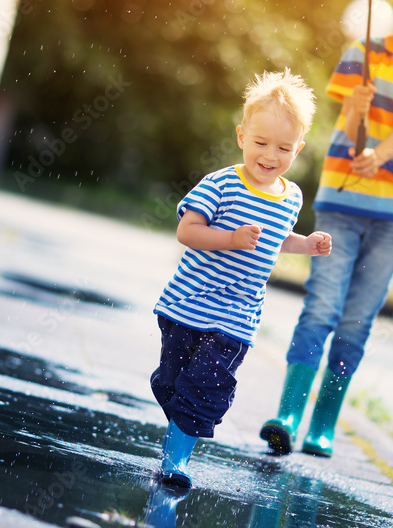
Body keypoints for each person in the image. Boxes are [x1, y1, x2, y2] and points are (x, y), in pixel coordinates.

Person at [260, 0, 393, 457]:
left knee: (357, 320)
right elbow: (346, 126)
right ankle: (289, 415)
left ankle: (323, 424)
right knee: (321, 307)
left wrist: (382, 154)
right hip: (343, 200)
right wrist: (355, 107)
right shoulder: (362, 51)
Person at [151, 69, 333, 488]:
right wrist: (230, 238)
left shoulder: (291, 196)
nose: (270, 155)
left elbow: (275, 239)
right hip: (186, 305)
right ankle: (178, 413)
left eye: (284, 148)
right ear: (241, 136)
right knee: (172, 382)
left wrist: (304, 244)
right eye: (261, 143)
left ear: (299, 148)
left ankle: (175, 460)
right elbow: (187, 231)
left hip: (237, 317)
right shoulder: (220, 185)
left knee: (204, 388)